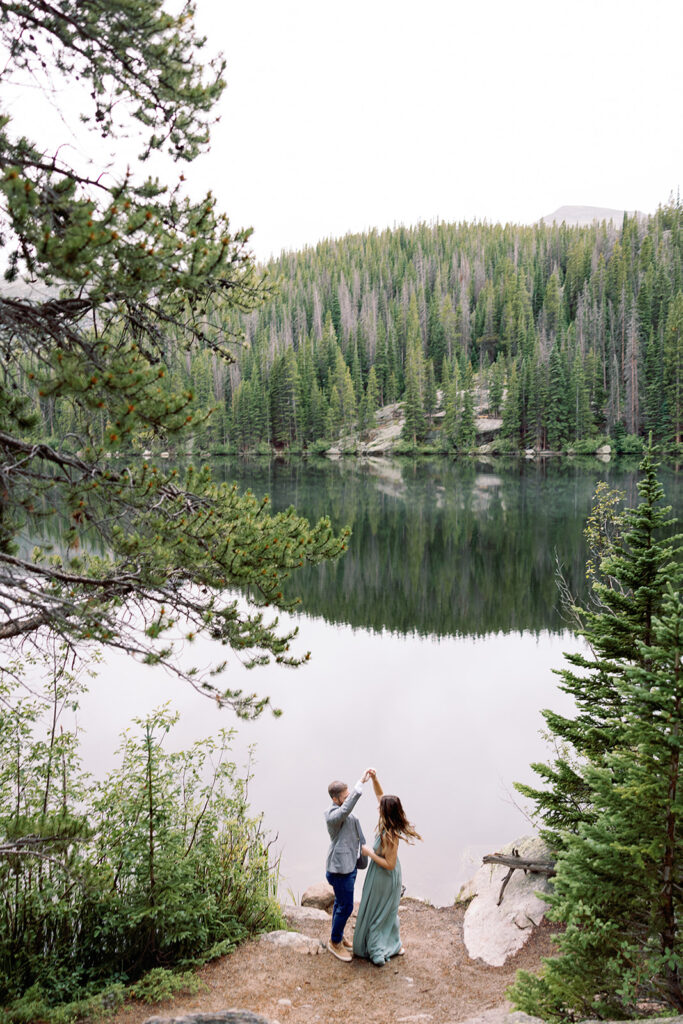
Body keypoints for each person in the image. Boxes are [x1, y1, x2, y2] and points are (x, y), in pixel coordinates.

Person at [352, 770, 422, 965]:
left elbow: (390, 865)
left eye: (380, 807)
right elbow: (380, 795)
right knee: (384, 911)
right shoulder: (386, 821)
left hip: (385, 876)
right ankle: (393, 943)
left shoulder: (389, 835)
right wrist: (374, 779)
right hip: (380, 874)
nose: (377, 807)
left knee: (379, 913)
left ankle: (377, 951)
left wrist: (369, 853)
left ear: (386, 811)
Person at [324, 769, 373, 962]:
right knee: (346, 907)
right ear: (335, 799)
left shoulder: (343, 811)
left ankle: (339, 936)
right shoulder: (332, 815)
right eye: (345, 797)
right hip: (339, 870)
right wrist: (359, 786)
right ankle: (334, 942)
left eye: (348, 795)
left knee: (340, 904)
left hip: (349, 866)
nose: (348, 799)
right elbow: (346, 810)